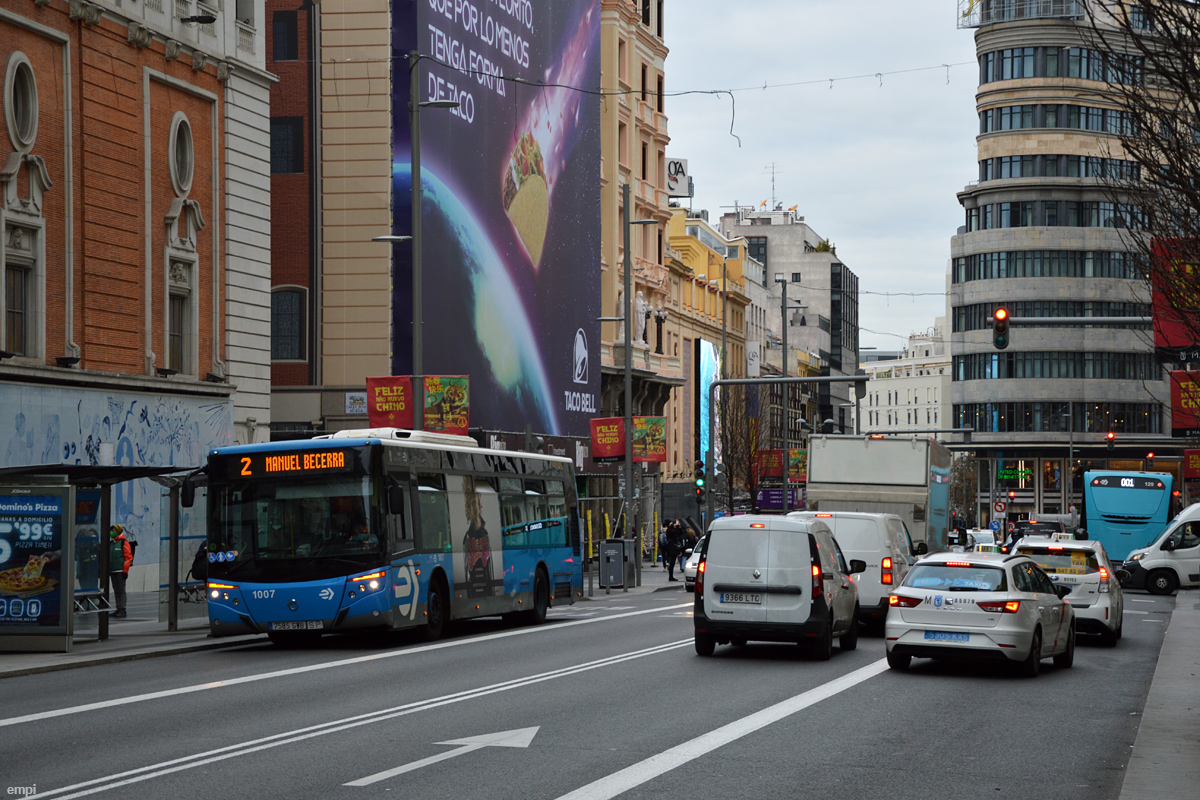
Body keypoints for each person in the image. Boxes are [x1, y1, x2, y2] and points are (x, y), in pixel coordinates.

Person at [109, 524, 133, 618]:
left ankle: (122, 609)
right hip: (113, 570)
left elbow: (128, 558)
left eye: (114, 530)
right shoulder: (111, 543)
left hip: (120, 570)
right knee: (116, 590)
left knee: (121, 590)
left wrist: (125, 571)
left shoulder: (124, 542)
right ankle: (118, 608)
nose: (112, 532)